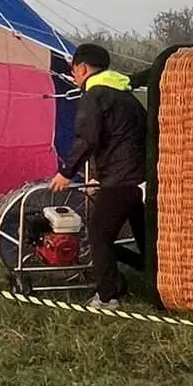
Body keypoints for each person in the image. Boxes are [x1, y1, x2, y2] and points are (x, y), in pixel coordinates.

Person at [49, 42, 147, 310]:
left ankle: (107, 296)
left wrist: (65, 172)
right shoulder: (126, 96)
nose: (73, 77)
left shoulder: (94, 95)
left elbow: (87, 138)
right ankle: (158, 286)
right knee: (147, 240)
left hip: (121, 181)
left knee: (99, 236)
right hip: (144, 180)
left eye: (74, 71)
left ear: (82, 68)